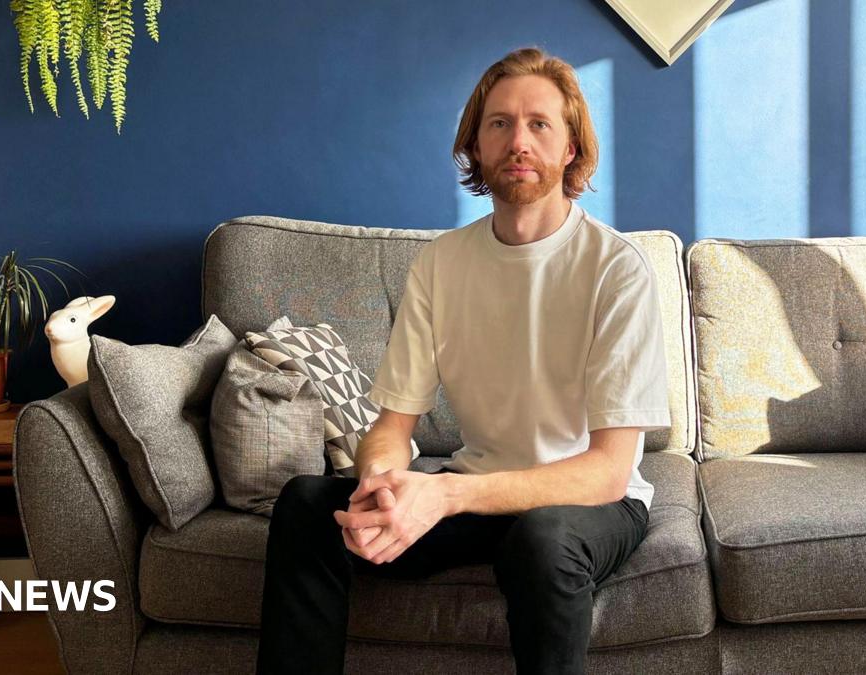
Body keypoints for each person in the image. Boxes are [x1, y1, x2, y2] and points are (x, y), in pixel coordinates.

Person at [256, 46, 671, 675]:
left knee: (543, 539)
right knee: (307, 506)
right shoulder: (441, 264)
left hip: (588, 506)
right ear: (475, 147)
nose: (518, 141)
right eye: (499, 123)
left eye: (540, 124)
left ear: (570, 148)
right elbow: (393, 430)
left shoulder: (616, 269)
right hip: (479, 490)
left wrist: (446, 496)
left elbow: (609, 471)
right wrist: (381, 487)